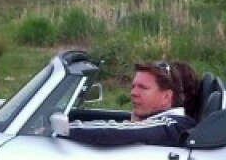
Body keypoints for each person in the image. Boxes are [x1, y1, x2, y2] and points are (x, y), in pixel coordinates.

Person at [50, 60, 197, 146]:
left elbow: (116, 131)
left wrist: (65, 128)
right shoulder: (166, 123)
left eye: (143, 88)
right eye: (133, 86)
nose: (133, 92)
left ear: (166, 97)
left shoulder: (173, 124)